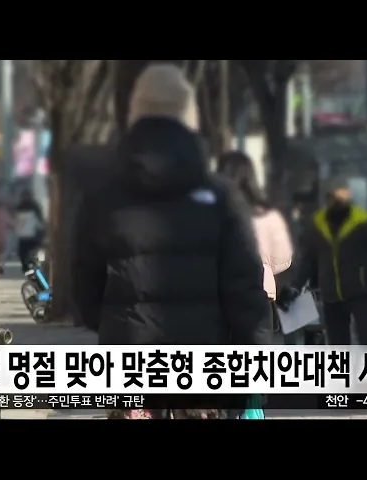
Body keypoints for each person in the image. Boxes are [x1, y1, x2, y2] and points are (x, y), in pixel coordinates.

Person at [71, 64, 271, 420]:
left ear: (134, 116)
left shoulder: (102, 196)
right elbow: (245, 293)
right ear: (190, 118)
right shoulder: (220, 196)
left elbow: (84, 285)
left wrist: (113, 324)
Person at [278, 177, 367, 345]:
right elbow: (309, 259)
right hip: (331, 293)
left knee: (366, 339)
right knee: (338, 342)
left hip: (358, 291)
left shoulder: (362, 222)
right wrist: (295, 287)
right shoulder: (319, 223)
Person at [217, 151, 293, 339]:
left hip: (217, 297)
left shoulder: (211, 213)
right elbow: (283, 259)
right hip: (261, 294)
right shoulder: (268, 216)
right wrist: (266, 266)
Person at [15, 190, 45, 273]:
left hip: (23, 234)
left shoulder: (20, 207)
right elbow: (40, 220)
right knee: (32, 251)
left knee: (23, 252)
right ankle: (32, 265)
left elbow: (17, 220)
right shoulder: (34, 206)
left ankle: (26, 267)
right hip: (32, 234)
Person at [0, 199, 14, 274]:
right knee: (1, 253)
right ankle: (0, 266)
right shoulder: (4, 214)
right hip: (1, 237)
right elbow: (11, 225)